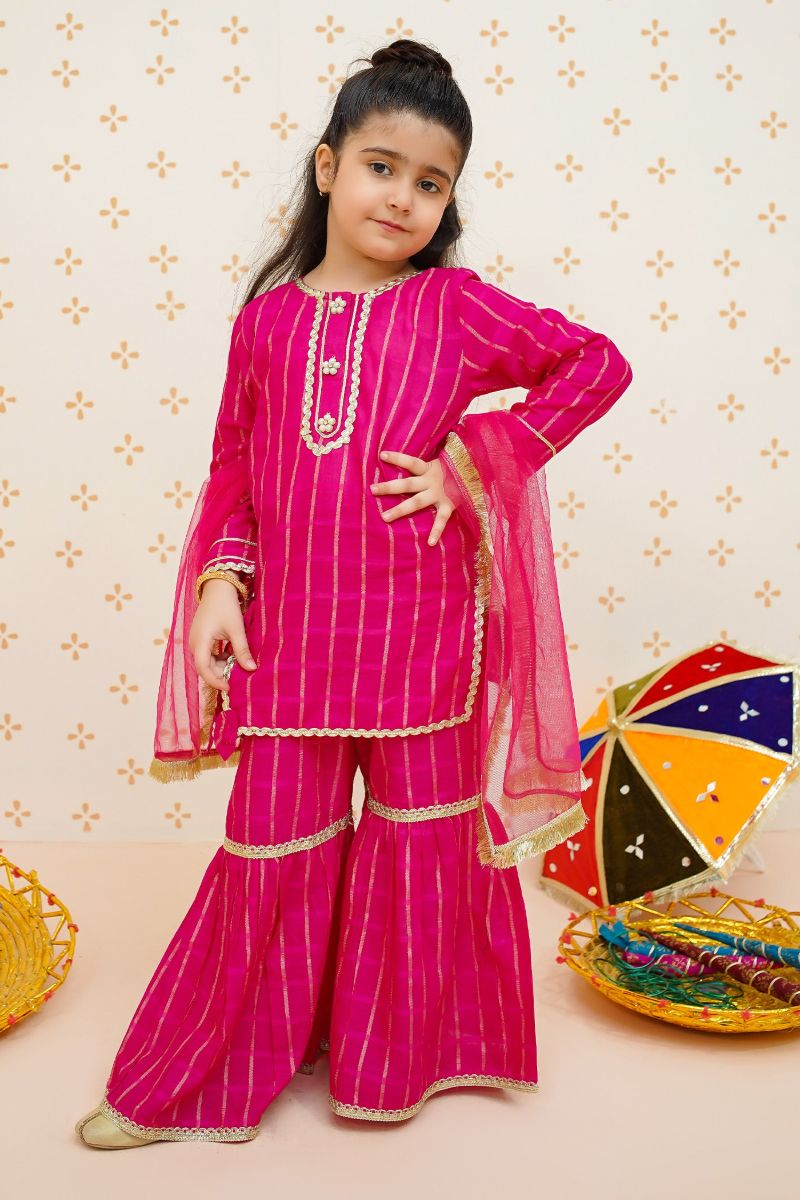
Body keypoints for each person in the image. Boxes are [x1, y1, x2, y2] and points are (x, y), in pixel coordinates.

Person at [75, 37, 633, 1148]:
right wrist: (220, 582)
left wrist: (472, 461)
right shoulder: (266, 323)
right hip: (293, 641)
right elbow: (235, 465)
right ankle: (206, 1078)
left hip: (423, 642)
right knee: (270, 845)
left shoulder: (453, 307)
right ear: (328, 167)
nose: (404, 197)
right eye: (382, 167)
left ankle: (396, 1064)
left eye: (431, 183)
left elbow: (596, 365)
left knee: (421, 847)